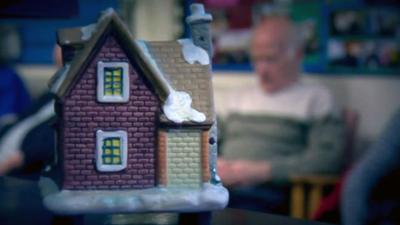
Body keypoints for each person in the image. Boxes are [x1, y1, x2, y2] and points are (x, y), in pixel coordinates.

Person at [217, 14, 345, 211]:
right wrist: (216, 166)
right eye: (256, 60)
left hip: (271, 193)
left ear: (298, 55)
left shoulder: (317, 98)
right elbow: (207, 145)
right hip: (219, 187)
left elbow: (327, 160)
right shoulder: (235, 97)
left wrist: (259, 172)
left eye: (270, 59)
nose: (261, 70)